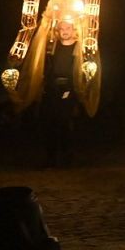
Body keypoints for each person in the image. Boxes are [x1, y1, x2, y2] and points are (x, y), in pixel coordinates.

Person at [41, 21, 80, 167]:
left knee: (65, 124)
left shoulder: (79, 47)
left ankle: (67, 158)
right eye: (61, 28)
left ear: (73, 29)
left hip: (69, 88)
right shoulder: (52, 46)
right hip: (52, 89)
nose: (64, 31)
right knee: (50, 123)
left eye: (68, 28)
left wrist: (70, 89)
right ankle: (50, 158)